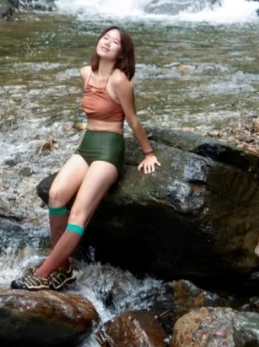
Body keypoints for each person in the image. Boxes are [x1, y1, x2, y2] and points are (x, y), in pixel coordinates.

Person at [11, 25, 159, 291]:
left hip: (108, 150)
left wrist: (148, 152)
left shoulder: (119, 81)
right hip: (87, 145)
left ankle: (44, 272)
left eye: (114, 42)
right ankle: (64, 268)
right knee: (56, 195)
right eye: (105, 37)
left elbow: (133, 120)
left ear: (121, 54)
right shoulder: (85, 74)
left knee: (78, 214)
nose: (107, 42)